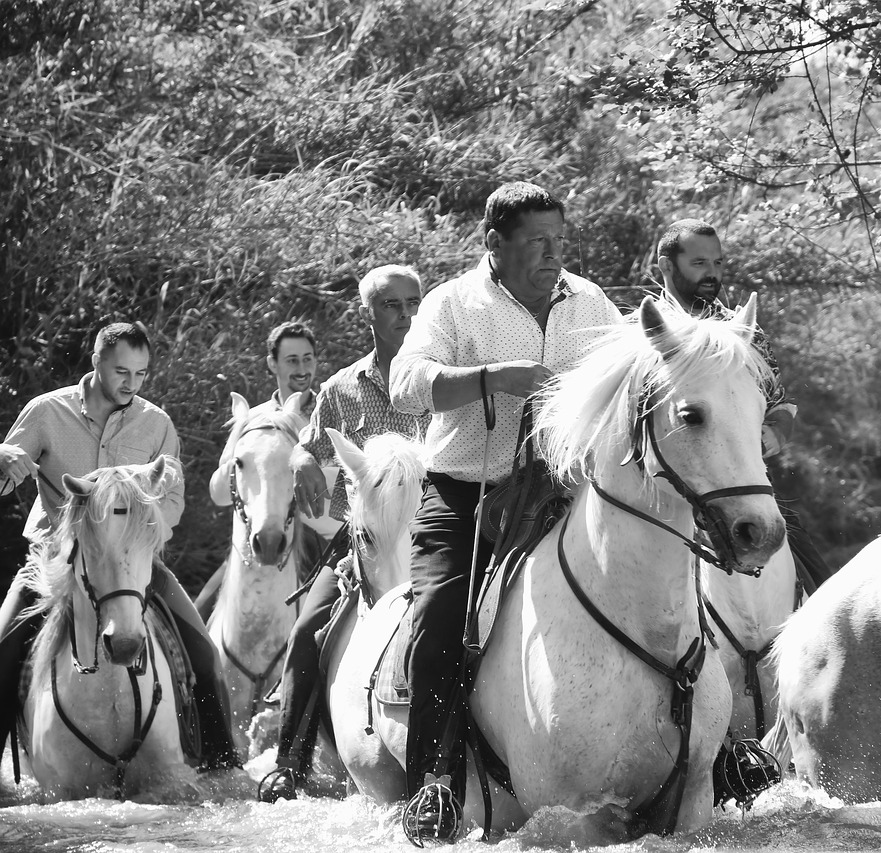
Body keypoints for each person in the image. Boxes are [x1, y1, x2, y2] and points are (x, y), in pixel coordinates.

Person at [389, 181, 623, 842]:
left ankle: (706, 758)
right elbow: (406, 386)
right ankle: (430, 786)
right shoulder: (452, 302)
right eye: (536, 243)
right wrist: (490, 377)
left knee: (666, 581)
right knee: (437, 619)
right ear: (493, 242)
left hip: (571, 492)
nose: (553, 255)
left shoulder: (590, 300)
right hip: (469, 493)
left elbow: (624, 383)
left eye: (559, 241)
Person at [0, 321, 241, 771]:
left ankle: (223, 768)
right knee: (1, 647)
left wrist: (136, 529)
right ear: (95, 363)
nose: (131, 383)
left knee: (204, 653)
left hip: (135, 562)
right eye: (121, 372)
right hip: (52, 559)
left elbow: (171, 502)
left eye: (141, 374)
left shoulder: (157, 425)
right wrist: (2, 458)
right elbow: (5, 477)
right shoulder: (46, 412)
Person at [257, 265, 430, 802]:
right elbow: (310, 443)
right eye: (392, 305)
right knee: (307, 629)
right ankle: (290, 763)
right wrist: (304, 458)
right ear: (368, 313)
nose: (406, 316)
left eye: (413, 303)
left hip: (435, 538)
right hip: (363, 544)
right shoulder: (340, 388)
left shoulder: (442, 378)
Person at [655, 218, 833, 591]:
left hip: (740, 486)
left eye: (718, 263)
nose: (712, 274)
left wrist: (775, 433)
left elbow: (779, 403)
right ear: (667, 266)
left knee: (816, 579)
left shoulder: (741, 329)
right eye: (700, 263)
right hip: (664, 495)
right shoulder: (644, 332)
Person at [198, 321, 320, 617]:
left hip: (319, 543)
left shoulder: (329, 411)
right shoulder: (252, 420)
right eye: (292, 360)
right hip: (256, 537)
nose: (302, 369)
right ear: (272, 364)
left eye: (308, 359)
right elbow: (220, 495)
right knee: (199, 611)